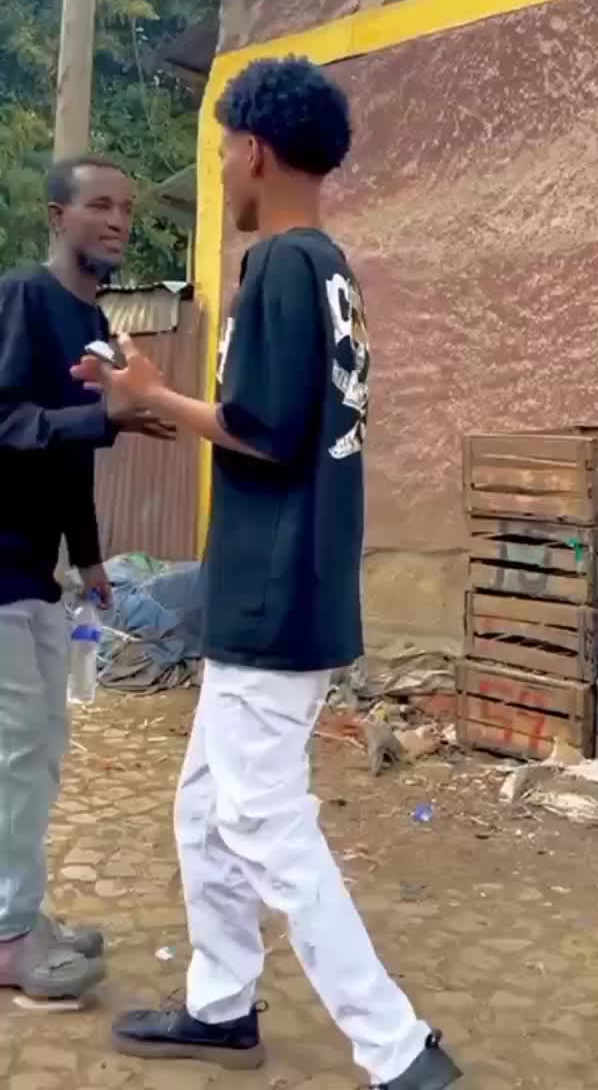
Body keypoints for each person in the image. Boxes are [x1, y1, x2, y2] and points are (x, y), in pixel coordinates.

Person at [73, 59, 463, 1089]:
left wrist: (152, 391)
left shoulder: (282, 265)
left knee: (259, 819)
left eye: (221, 152)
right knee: (206, 806)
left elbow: (262, 430)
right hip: (291, 577)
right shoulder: (327, 269)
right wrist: (152, 393)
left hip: (273, 586)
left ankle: (398, 1048)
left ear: (253, 150)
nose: (220, 171)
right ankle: (221, 1006)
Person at [0, 155, 173, 1001]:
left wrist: (93, 555)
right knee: (15, 749)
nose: (117, 222)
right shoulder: (21, 298)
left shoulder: (94, 321)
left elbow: (69, 457)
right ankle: (8, 936)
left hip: (37, 565)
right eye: (99, 205)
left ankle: (19, 913)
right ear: (56, 216)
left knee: (39, 748)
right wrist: (102, 414)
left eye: (127, 210)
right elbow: (8, 422)